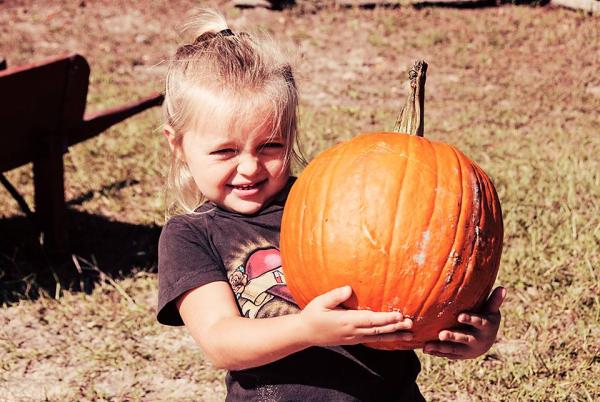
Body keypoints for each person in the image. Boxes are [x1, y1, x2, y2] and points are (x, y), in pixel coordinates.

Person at [156, 9, 506, 401]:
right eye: (225, 151)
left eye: (271, 146)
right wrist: (309, 329)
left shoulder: (330, 201)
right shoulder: (190, 235)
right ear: (178, 144)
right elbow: (221, 341)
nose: (251, 167)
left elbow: (412, 281)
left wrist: (472, 334)